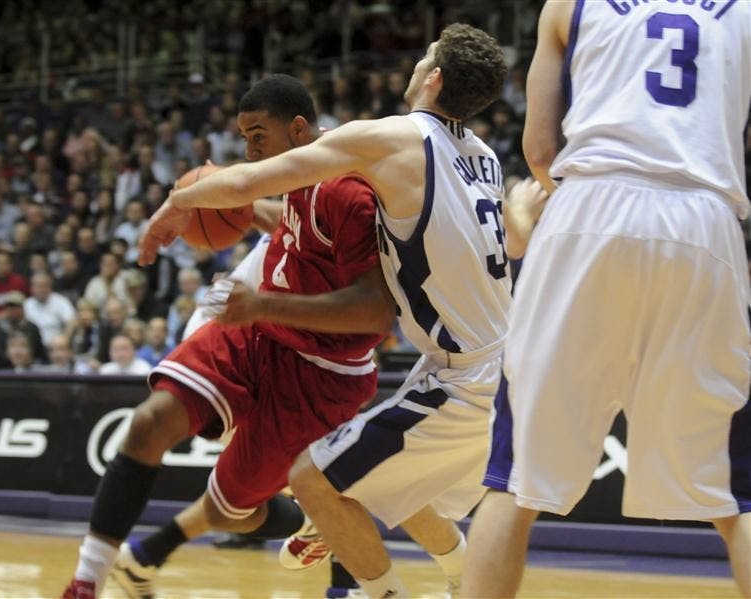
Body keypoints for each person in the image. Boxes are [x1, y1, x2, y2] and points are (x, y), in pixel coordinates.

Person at [142, 24, 514, 599]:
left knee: (312, 479)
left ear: (434, 78)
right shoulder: (484, 157)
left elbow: (252, 178)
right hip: (491, 361)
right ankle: (463, 580)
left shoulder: (396, 138)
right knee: (403, 495)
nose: (416, 66)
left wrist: (178, 200)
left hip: (466, 374)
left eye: (423, 58)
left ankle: (379, 592)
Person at [61, 74, 394, 599]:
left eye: (258, 135)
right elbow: (286, 220)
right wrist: (230, 212)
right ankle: (86, 581)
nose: (249, 148)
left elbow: (376, 313)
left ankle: (322, 519)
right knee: (150, 422)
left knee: (232, 514)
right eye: (244, 137)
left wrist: (261, 302)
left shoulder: (348, 193)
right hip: (257, 336)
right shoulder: (298, 176)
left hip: (319, 373)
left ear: (300, 130)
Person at [460, 2, 751, 598]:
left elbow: (540, 149)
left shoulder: (569, 5)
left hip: (587, 208)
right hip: (704, 221)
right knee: (736, 492)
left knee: (514, 479)